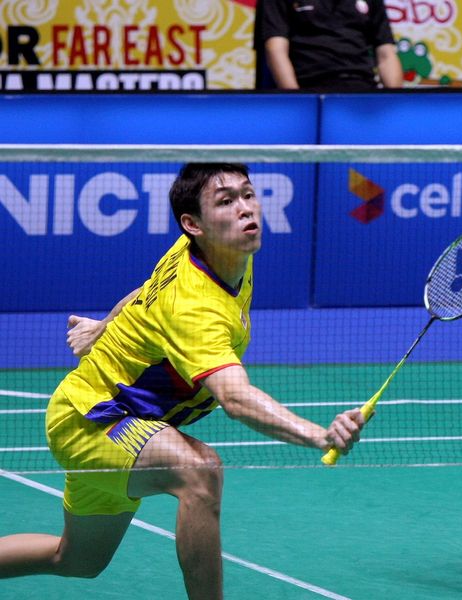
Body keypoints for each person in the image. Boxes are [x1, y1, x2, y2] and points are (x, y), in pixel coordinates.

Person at [0, 163, 365, 599]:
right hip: (93, 419)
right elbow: (235, 398)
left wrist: (106, 326)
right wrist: (319, 435)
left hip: (106, 416)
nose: (246, 209)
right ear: (193, 224)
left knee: (76, 560)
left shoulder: (213, 252)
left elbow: (146, 289)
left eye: (248, 195)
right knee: (199, 471)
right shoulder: (196, 307)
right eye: (226, 202)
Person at [259, 0, 403, 91]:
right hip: (309, 87)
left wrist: (394, 103)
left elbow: (386, 52)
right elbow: (275, 49)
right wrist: (297, 101)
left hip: (362, 88)